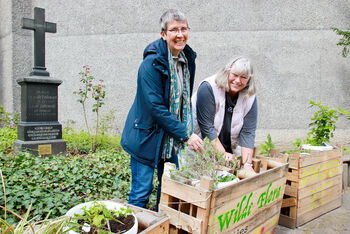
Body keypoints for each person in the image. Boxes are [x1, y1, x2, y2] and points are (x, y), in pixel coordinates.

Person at [121, 9, 203, 209]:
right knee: (141, 191)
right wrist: (185, 133)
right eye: (174, 30)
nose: (180, 34)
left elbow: (183, 100)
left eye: (184, 29)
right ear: (163, 34)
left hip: (170, 137)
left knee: (168, 190)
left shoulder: (187, 59)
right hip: (146, 137)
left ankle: (160, 226)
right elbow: (155, 107)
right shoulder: (151, 64)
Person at [192, 57, 257, 172]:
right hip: (201, 144)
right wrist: (223, 155)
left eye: (243, 77)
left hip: (228, 147)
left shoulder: (250, 97)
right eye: (235, 75)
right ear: (227, 72)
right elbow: (206, 127)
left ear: (249, 80)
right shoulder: (208, 87)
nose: (238, 80)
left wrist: (247, 164)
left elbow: (248, 132)